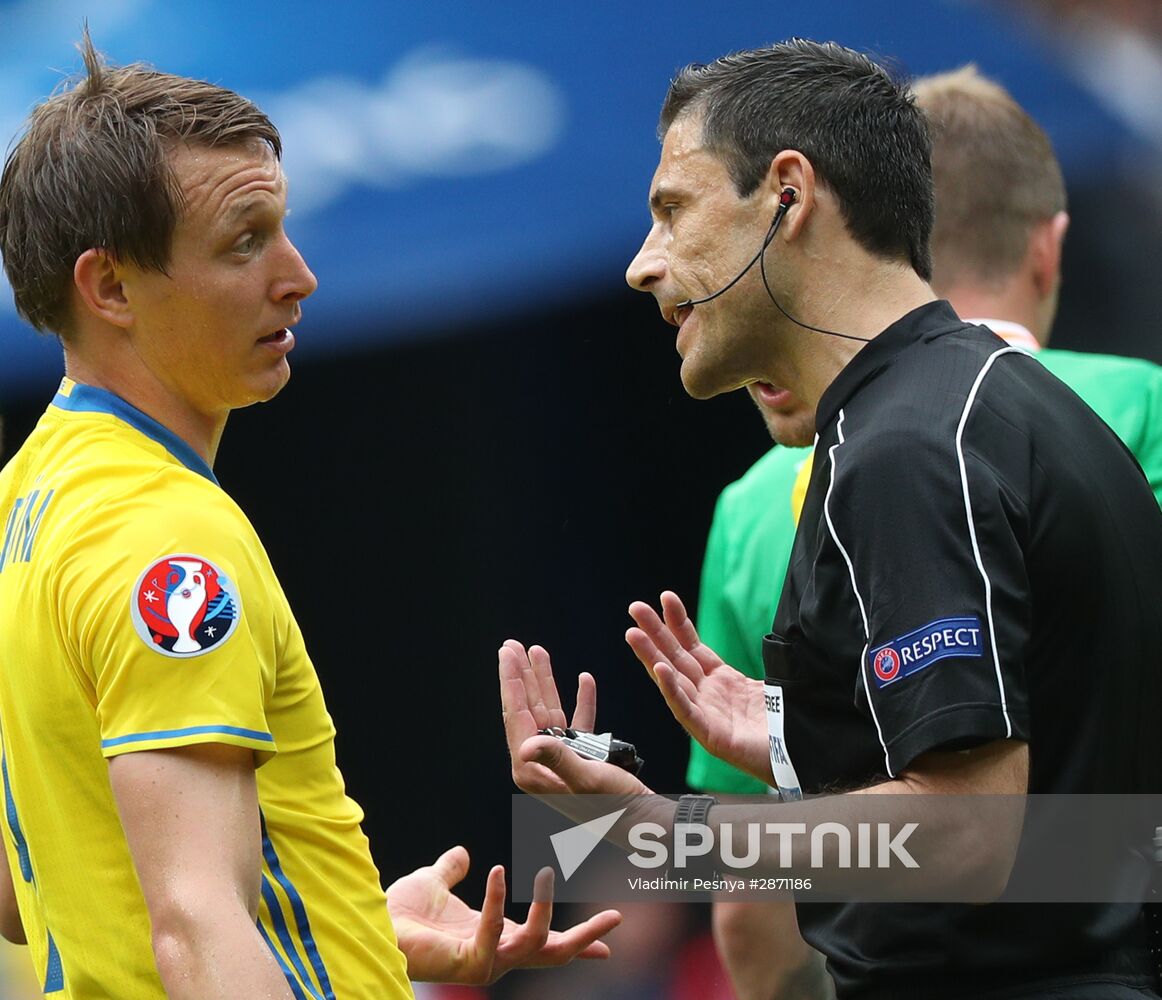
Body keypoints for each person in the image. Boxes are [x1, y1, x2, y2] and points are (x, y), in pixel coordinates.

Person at [499, 39, 1162, 1000]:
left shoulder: (911, 445)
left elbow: (970, 837)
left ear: (788, 196)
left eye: (672, 211)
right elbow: (1055, 789)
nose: (644, 266)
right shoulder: (975, 404)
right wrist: (794, 737)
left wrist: (661, 841)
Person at [0, 37, 620, 999]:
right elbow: (197, 924)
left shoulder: (24, 501)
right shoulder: (170, 540)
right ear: (110, 287)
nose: (300, 276)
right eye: (245, 242)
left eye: (281, 230)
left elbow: (26, 887)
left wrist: (353, 934)